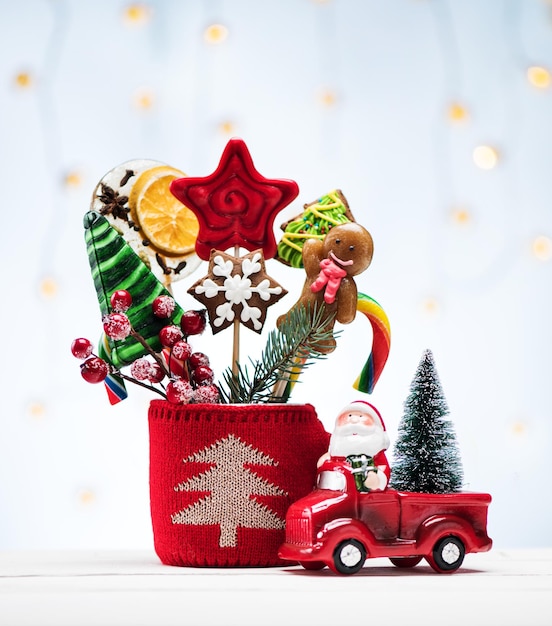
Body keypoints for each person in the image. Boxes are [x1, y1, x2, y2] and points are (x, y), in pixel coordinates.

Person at [318, 400, 391, 491]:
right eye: (349, 416)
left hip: (361, 496)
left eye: (361, 416)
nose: (354, 420)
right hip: (333, 489)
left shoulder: (376, 453)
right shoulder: (336, 448)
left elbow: (383, 467)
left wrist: (377, 478)